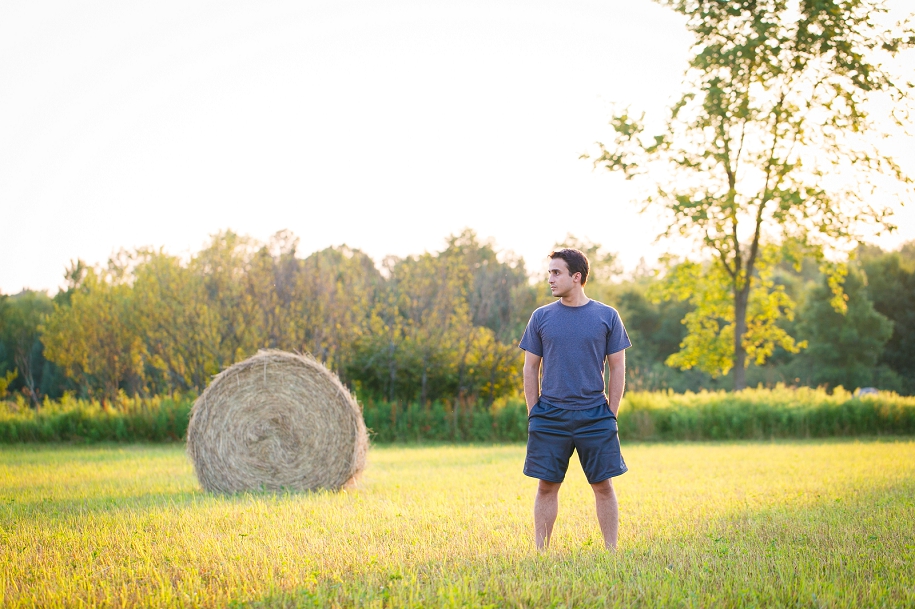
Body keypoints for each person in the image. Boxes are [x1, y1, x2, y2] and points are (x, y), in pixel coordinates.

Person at [519, 248, 631, 550]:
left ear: (576, 277)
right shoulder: (540, 317)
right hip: (550, 416)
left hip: (595, 415)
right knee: (546, 487)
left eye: (556, 273)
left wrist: (611, 412)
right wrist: (535, 412)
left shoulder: (607, 316)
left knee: (603, 486)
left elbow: (617, 366)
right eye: (549, 273)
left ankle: (611, 552)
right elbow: (530, 367)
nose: (550, 279)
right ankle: (541, 552)